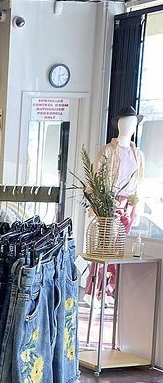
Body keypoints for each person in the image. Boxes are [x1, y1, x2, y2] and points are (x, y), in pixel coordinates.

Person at [87, 105, 145, 301]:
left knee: (120, 247)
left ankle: (110, 289)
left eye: (132, 123)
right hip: (110, 202)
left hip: (128, 204)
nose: (129, 126)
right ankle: (95, 289)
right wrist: (98, 203)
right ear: (119, 124)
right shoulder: (108, 151)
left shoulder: (138, 154)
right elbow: (96, 177)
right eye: (125, 122)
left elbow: (140, 182)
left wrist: (136, 208)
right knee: (105, 246)